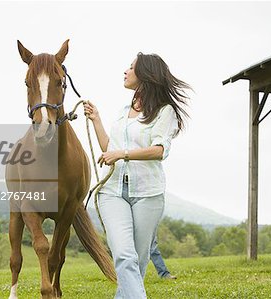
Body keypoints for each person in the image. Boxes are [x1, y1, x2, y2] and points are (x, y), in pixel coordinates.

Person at [84, 52, 190, 298]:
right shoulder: (124, 110)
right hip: (112, 193)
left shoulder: (165, 112)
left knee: (137, 265)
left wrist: (122, 154)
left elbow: (159, 150)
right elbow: (109, 149)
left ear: (144, 75)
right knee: (124, 255)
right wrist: (97, 119)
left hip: (147, 195)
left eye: (131, 67)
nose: (125, 71)